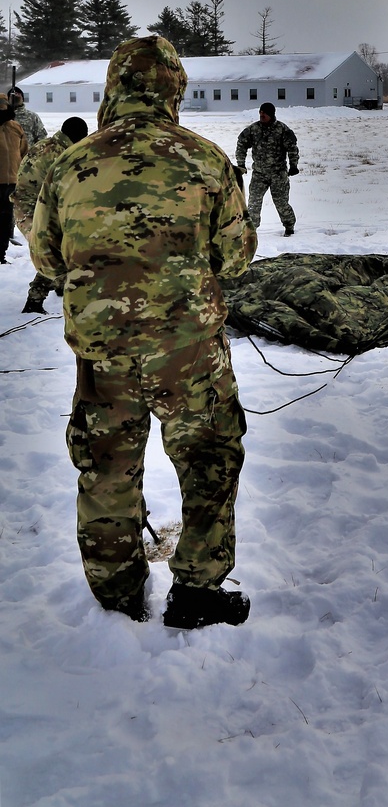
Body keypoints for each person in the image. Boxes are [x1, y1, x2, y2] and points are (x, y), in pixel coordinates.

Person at [31, 36, 257, 627]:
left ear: (113, 87)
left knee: (106, 468)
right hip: (188, 353)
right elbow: (236, 257)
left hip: (103, 354)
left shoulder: (69, 164)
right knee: (208, 461)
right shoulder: (206, 159)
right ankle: (199, 593)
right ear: (174, 89)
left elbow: (47, 258)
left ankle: (117, 596)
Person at [13, 116, 89, 312]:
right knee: (53, 250)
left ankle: (60, 285)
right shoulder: (62, 155)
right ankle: (35, 300)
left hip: (25, 206)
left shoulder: (46, 144)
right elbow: (68, 190)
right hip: (32, 210)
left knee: (57, 248)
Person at [235, 102, 299, 236]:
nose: (261, 115)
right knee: (253, 202)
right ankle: (251, 230)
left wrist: (293, 165)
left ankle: (289, 227)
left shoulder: (282, 129)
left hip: (278, 174)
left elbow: (292, 148)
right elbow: (241, 143)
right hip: (259, 174)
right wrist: (241, 164)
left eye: (264, 113)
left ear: (271, 114)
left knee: (281, 202)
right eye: (260, 112)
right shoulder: (253, 129)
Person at [0, 94, 29, 264]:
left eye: (4, 106)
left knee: (5, 222)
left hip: (12, 182)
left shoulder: (16, 127)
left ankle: (0, 255)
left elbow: (24, 153)